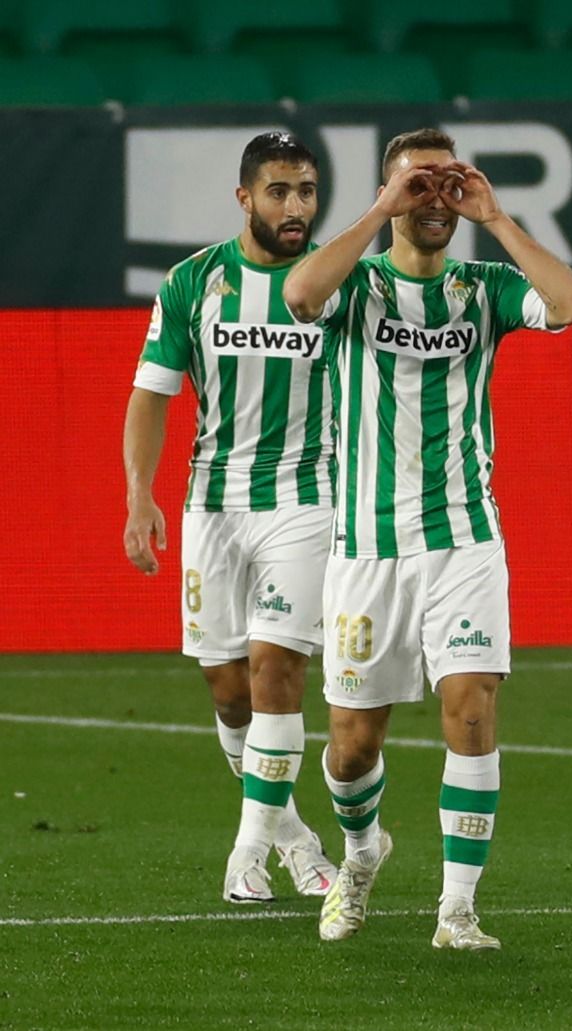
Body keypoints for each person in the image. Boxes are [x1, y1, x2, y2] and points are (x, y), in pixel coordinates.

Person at [283, 128, 572, 950]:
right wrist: (383, 205)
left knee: (473, 711)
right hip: (367, 548)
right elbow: (300, 296)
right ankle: (359, 854)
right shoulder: (359, 287)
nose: (434, 202)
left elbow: (570, 304)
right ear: (389, 198)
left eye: (445, 185)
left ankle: (457, 907)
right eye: (417, 187)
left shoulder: (484, 287)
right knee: (351, 749)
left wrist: (495, 216)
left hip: (464, 539)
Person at [123, 131, 338, 905]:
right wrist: (138, 493)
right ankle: (296, 840)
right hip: (212, 503)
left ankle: (247, 851)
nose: (296, 207)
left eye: (307, 190)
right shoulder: (192, 283)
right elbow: (152, 392)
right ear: (244, 197)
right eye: (279, 191)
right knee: (228, 686)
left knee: (277, 667)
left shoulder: (337, 283)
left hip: (307, 499)